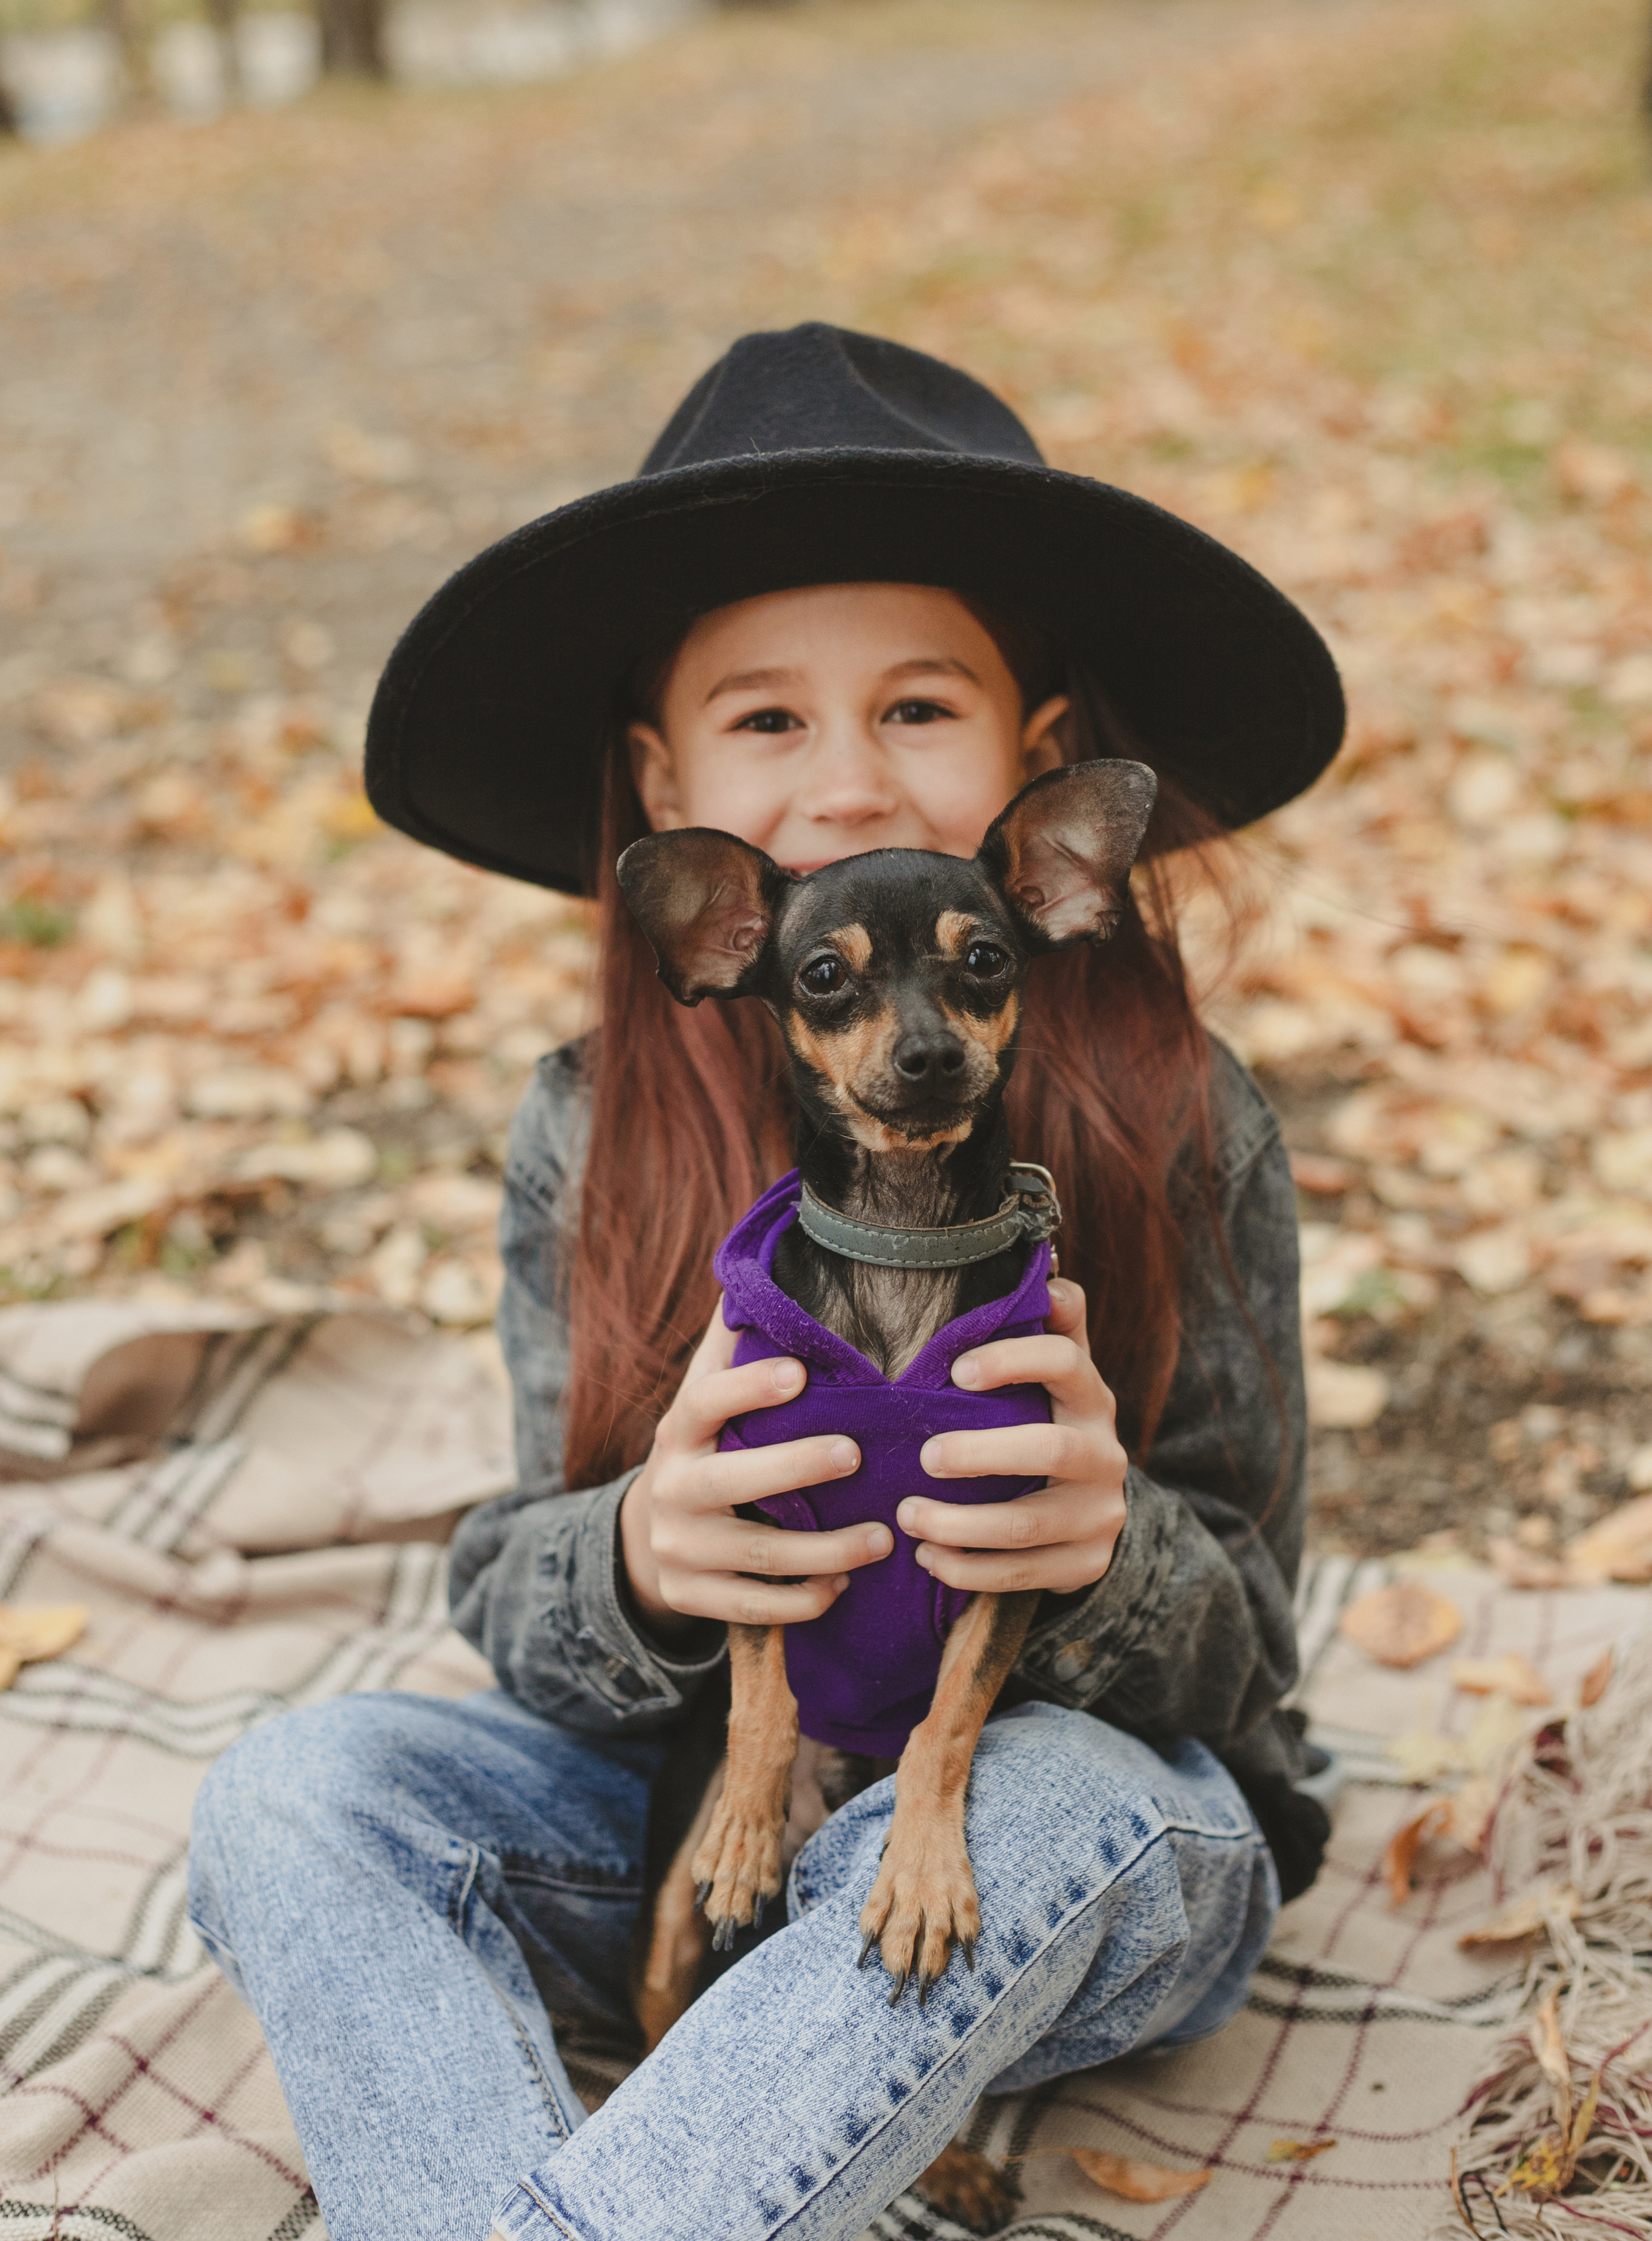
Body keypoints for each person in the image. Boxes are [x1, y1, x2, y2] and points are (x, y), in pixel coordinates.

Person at [188, 323, 1347, 2241]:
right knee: (296, 1795)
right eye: (766, 722)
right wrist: (647, 1546)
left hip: (1071, 1858)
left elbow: (1257, 1644)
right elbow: (509, 1584)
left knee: (1038, 1800)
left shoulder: (1180, 1114)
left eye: (914, 709)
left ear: (1037, 783)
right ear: (675, 806)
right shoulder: (590, 1123)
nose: (845, 780)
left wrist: (1101, 1539)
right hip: (712, 1843)